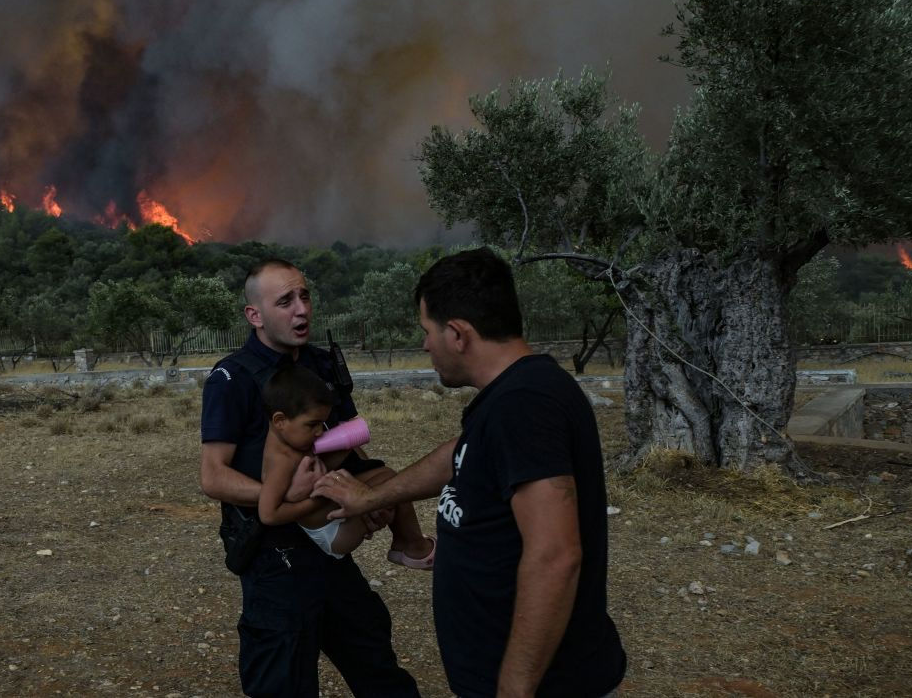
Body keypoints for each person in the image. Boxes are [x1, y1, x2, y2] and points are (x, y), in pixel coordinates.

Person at [313, 248, 627, 698]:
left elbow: (556, 556)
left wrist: (515, 689)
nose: (424, 345)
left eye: (427, 331)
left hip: (550, 684)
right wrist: (370, 498)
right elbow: (458, 455)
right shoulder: (511, 396)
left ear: (458, 334)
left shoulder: (524, 406)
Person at [199, 259, 424, 698]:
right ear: (255, 315)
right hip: (275, 559)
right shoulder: (233, 378)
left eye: (304, 296)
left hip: (332, 547)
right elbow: (213, 477)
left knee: (376, 665)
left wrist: (368, 500)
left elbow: (345, 444)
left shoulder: (322, 366)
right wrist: (283, 495)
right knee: (283, 680)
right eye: (285, 301)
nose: (301, 310)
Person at [258, 361, 435, 563]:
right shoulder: (281, 461)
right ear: (280, 421)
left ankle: (403, 541)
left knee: (387, 477)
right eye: (312, 424)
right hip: (333, 533)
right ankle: (413, 546)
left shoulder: (291, 439)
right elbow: (268, 515)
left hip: (332, 516)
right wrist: (318, 500)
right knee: (389, 484)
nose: (319, 431)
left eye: (322, 423)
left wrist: (348, 441)